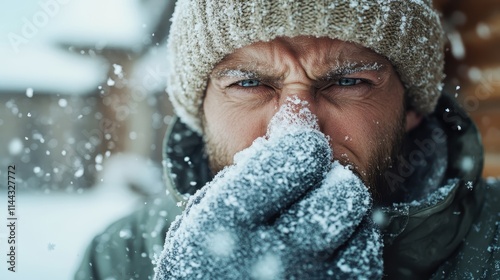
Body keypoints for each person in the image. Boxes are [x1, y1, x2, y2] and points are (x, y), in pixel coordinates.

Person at [75, 0, 500, 279]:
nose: (296, 131)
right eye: (248, 83)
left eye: (349, 81)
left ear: (411, 109)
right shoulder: (116, 258)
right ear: (200, 110)